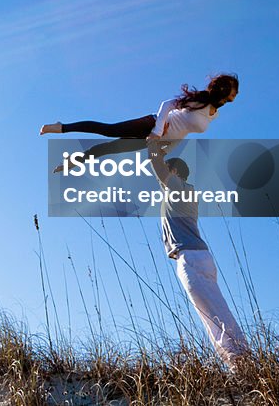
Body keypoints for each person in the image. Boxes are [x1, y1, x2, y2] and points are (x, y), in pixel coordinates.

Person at [146, 138, 249, 370]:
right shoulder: (179, 193)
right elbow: (158, 170)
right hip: (193, 258)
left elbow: (157, 169)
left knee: (215, 312)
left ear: (174, 172)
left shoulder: (179, 188)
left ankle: (243, 360)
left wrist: (152, 148)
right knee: (209, 315)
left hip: (191, 258)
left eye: (167, 173)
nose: (161, 181)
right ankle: (236, 364)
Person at [40, 74, 238, 170]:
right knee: (109, 130)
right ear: (223, 89)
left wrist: (164, 151)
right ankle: (61, 127)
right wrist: (158, 129)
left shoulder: (214, 114)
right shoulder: (200, 100)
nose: (235, 94)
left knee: (109, 149)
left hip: (155, 141)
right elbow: (167, 104)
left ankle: (73, 161)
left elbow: (184, 132)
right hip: (152, 126)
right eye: (233, 89)